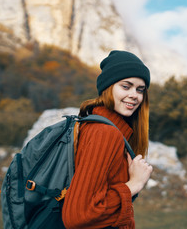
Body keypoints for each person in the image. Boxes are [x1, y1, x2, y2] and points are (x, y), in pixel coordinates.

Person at [62, 50, 153, 229]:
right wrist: (134, 184)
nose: (135, 95)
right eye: (126, 86)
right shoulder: (105, 133)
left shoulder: (103, 128)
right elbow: (77, 216)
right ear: (107, 88)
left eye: (140, 89)